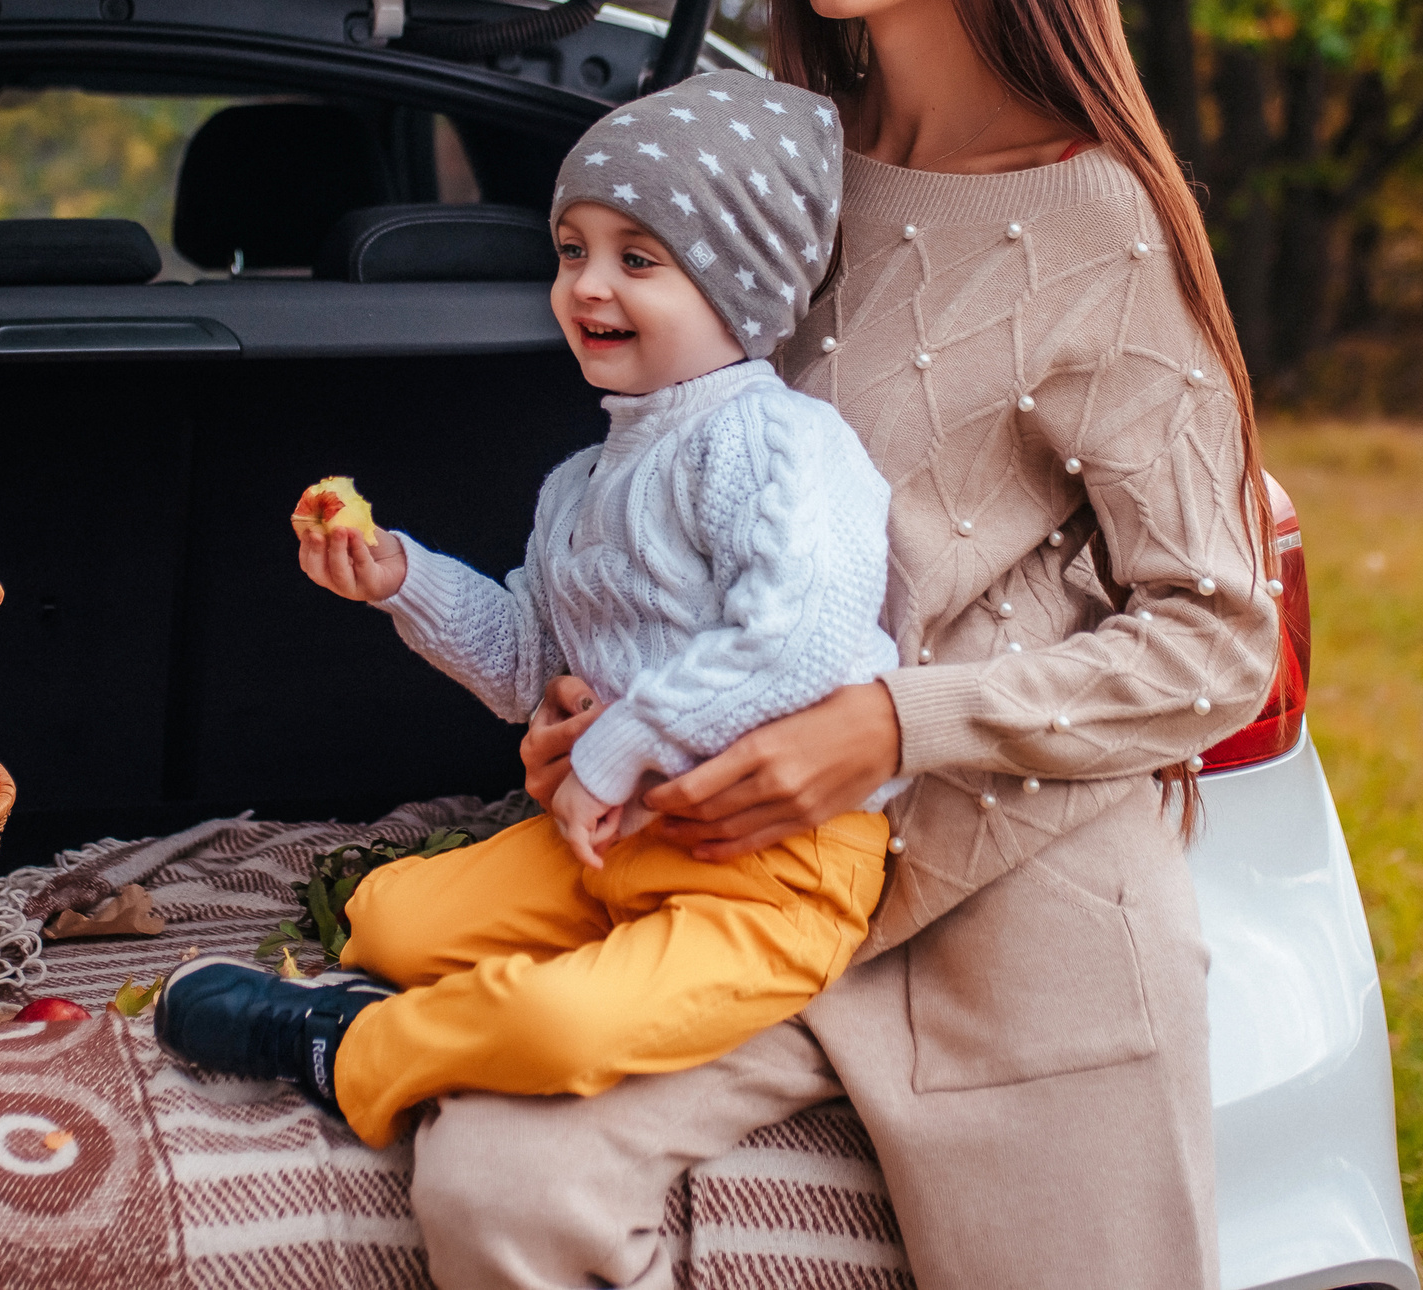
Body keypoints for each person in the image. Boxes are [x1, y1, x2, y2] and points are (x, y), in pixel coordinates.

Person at [403, 0, 1284, 1290]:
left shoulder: (1100, 223)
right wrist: (605, 708)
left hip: (1016, 893)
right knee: (494, 1185)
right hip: (738, 881)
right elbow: (677, 511)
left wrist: (889, 722)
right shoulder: (770, 163)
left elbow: (1219, 637)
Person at [155, 77, 906, 1152]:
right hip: (609, 842)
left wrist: (614, 751)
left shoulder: (778, 441)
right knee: (387, 917)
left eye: (637, 259)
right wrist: (402, 576)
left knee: (563, 1026)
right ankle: (497, 990)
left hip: (771, 868)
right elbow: (528, 663)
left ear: (740, 286)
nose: (586, 284)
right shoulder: (579, 482)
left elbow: (798, 640)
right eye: (570, 250)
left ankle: (340, 1042)